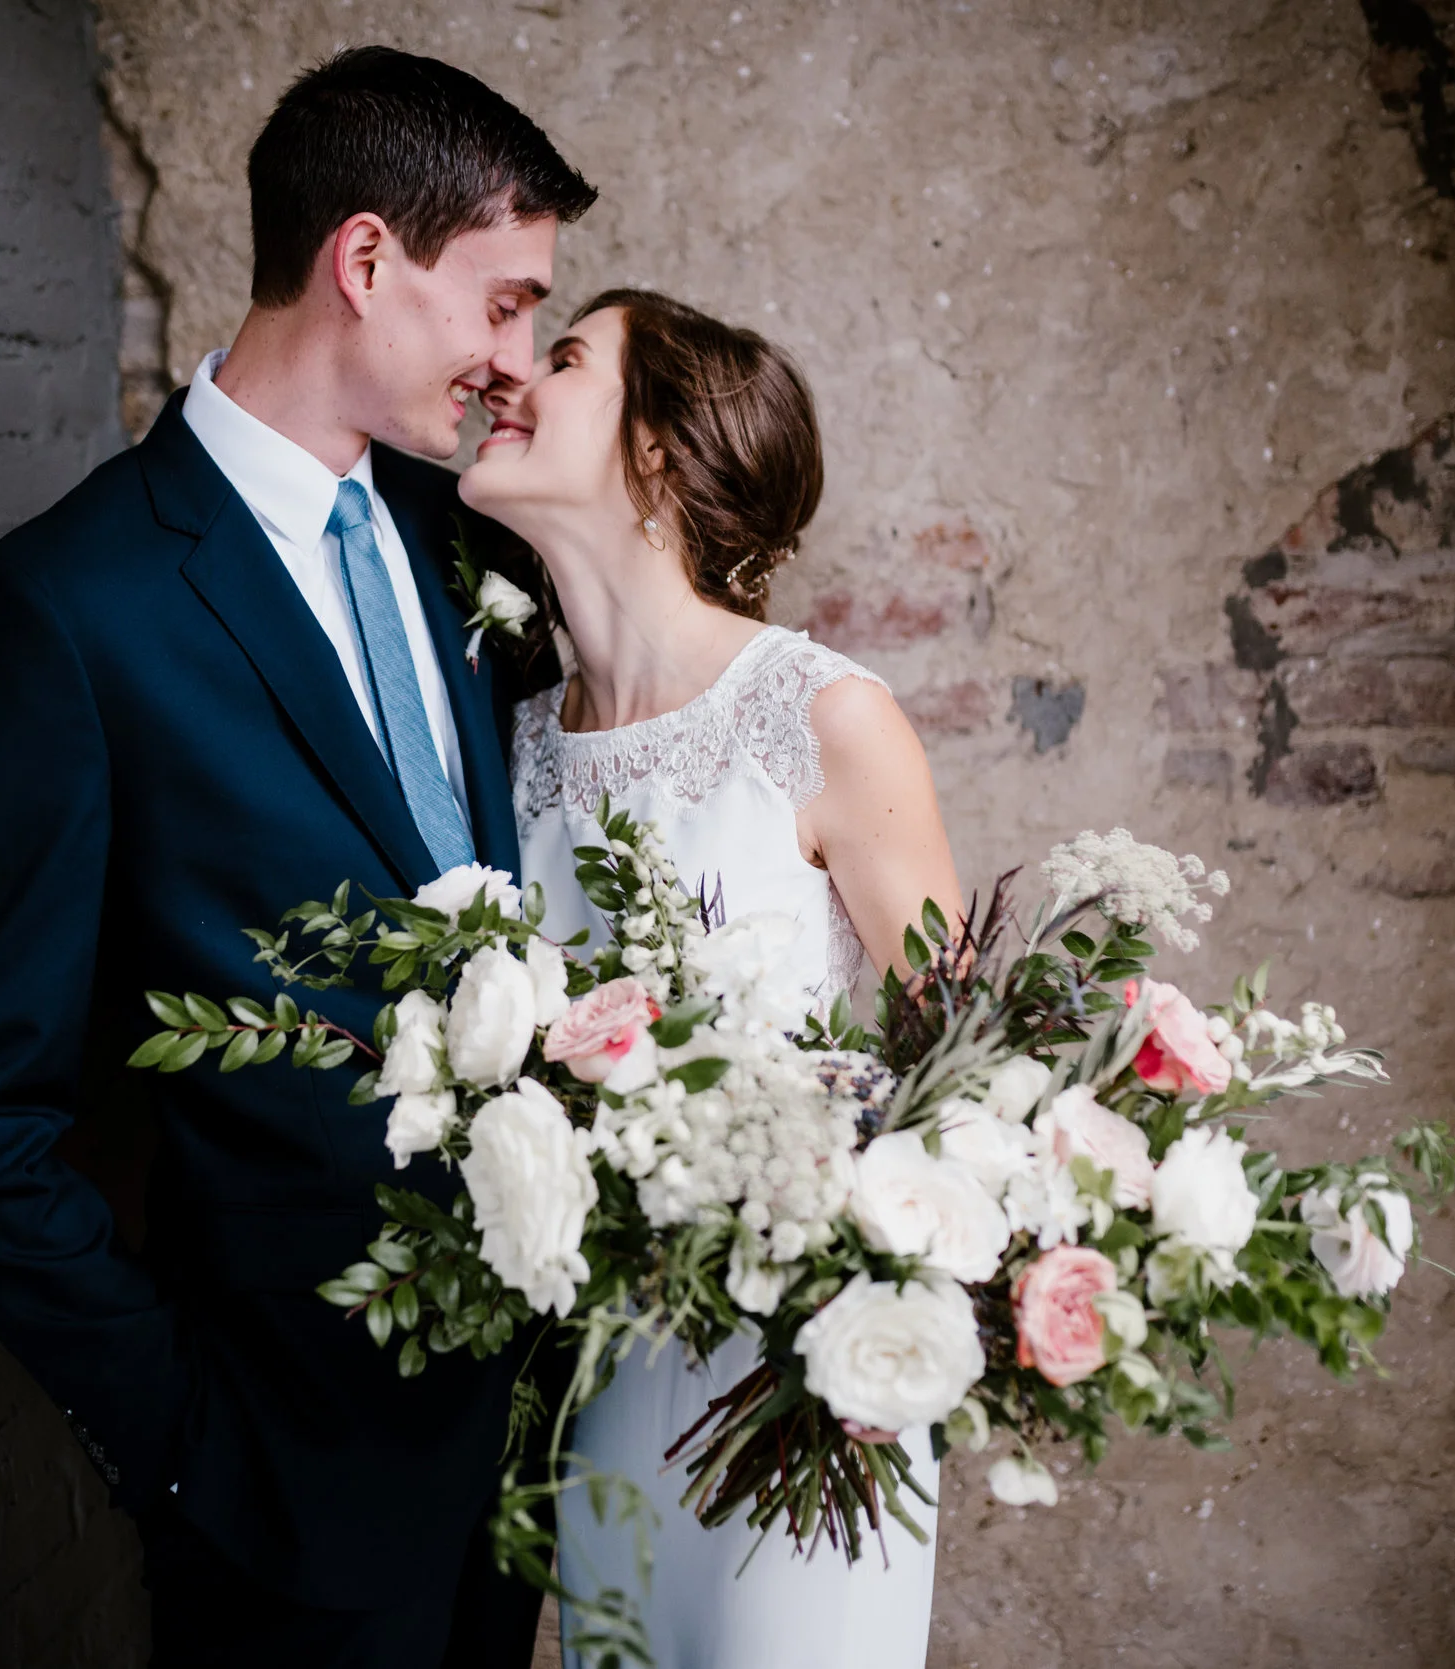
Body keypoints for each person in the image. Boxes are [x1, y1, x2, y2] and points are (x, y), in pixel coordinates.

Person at [0, 48, 596, 1669]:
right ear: (362, 261)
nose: (518, 363)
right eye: (502, 303)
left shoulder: (462, 537)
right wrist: (181, 1438)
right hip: (275, 1478)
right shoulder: (65, 613)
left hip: (511, 1437)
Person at [459, 290, 965, 1669]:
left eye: (563, 360)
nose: (508, 375)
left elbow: (971, 1065)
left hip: (796, 1387)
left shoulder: (823, 721)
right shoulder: (498, 752)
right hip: (601, 1380)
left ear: (658, 455)